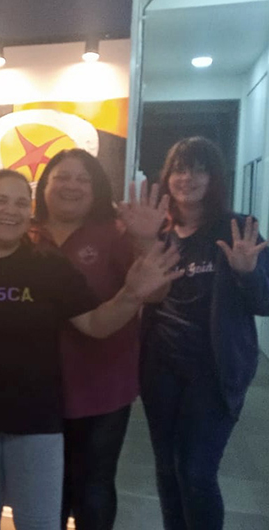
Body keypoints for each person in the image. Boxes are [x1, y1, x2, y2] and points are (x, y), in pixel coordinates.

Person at [0, 169, 183, 530]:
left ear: (30, 211)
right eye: (0, 200)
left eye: (20, 202)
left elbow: (95, 324)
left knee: (39, 523)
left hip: (35, 422)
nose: (10, 210)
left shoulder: (48, 265)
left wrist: (131, 294)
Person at [31, 149, 167, 530]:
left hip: (102, 386)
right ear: (44, 185)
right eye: (62, 177)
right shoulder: (25, 234)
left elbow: (155, 291)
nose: (71, 185)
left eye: (83, 179)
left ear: (96, 191)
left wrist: (146, 240)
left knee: (94, 487)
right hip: (36, 388)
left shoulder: (114, 234)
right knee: (48, 489)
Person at [139, 137, 269, 530]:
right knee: (166, 468)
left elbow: (264, 302)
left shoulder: (238, 229)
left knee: (195, 470)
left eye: (199, 169)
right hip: (160, 366)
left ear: (214, 178)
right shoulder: (158, 233)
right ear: (168, 177)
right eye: (180, 169)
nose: (188, 178)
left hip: (214, 369)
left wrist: (247, 273)